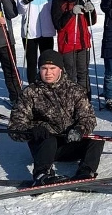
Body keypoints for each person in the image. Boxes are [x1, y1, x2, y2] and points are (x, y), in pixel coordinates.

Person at [8, 50, 104, 186]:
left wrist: (79, 129)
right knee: (49, 139)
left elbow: (88, 117)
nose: (48, 73)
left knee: (97, 140)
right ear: (39, 69)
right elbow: (14, 127)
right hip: (44, 146)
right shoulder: (30, 93)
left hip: (68, 142)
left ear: (60, 69)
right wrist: (32, 130)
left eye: (53, 68)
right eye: (44, 68)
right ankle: (42, 174)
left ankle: (85, 172)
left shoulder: (74, 90)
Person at [50, 0, 97, 96]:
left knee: (83, 73)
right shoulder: (58, 2)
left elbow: (92, 22)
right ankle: (71, 100)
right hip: (67, 44)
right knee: (70, 74)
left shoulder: (80, 0)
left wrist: (91, 11)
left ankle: (85, 100)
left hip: (82, 42)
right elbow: (58, 24)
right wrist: (71, 13)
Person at [16, 0, 56, 84]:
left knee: (47, 62)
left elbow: (56, 9)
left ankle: (46, 86)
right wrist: (25, 1)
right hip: (30, 33)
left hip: (47, 32)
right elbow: (20, 11)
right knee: (32, 62)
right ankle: (32, 87)